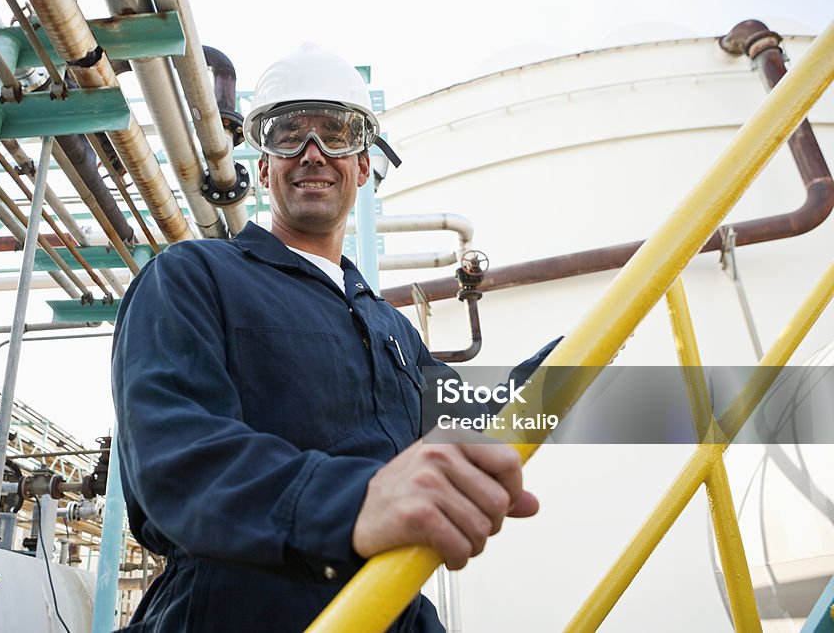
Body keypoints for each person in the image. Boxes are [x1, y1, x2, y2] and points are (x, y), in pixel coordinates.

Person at [111, 43, 540, 632]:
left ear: (363, 166)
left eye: (335, 134)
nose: (312, 153)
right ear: (263, 166)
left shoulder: (391, 329)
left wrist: (579, 371)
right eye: (289, 135)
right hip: (228, 614)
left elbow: (472, 418)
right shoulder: (193, 277)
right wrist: (356, 501)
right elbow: (174, 460)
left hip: (388, 608)